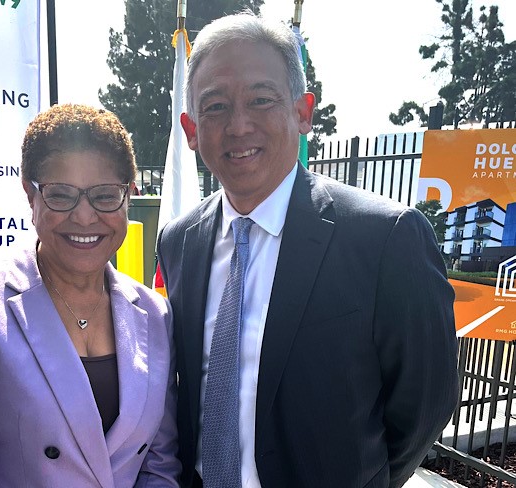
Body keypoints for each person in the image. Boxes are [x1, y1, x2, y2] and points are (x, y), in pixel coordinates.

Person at [156, 11, 458, 488]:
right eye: (215, 107)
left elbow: (424, 407)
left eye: (261, 99)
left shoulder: (385, 239)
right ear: (191, 130)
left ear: (303, 111)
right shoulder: (178, 240)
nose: (238, 126)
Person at [0, 104, 181, 487]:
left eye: (106, 196)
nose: (85, 217)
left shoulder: (155, 315)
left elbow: (160, 465)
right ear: (30, 194)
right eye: (61, 195)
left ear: (129, 195)